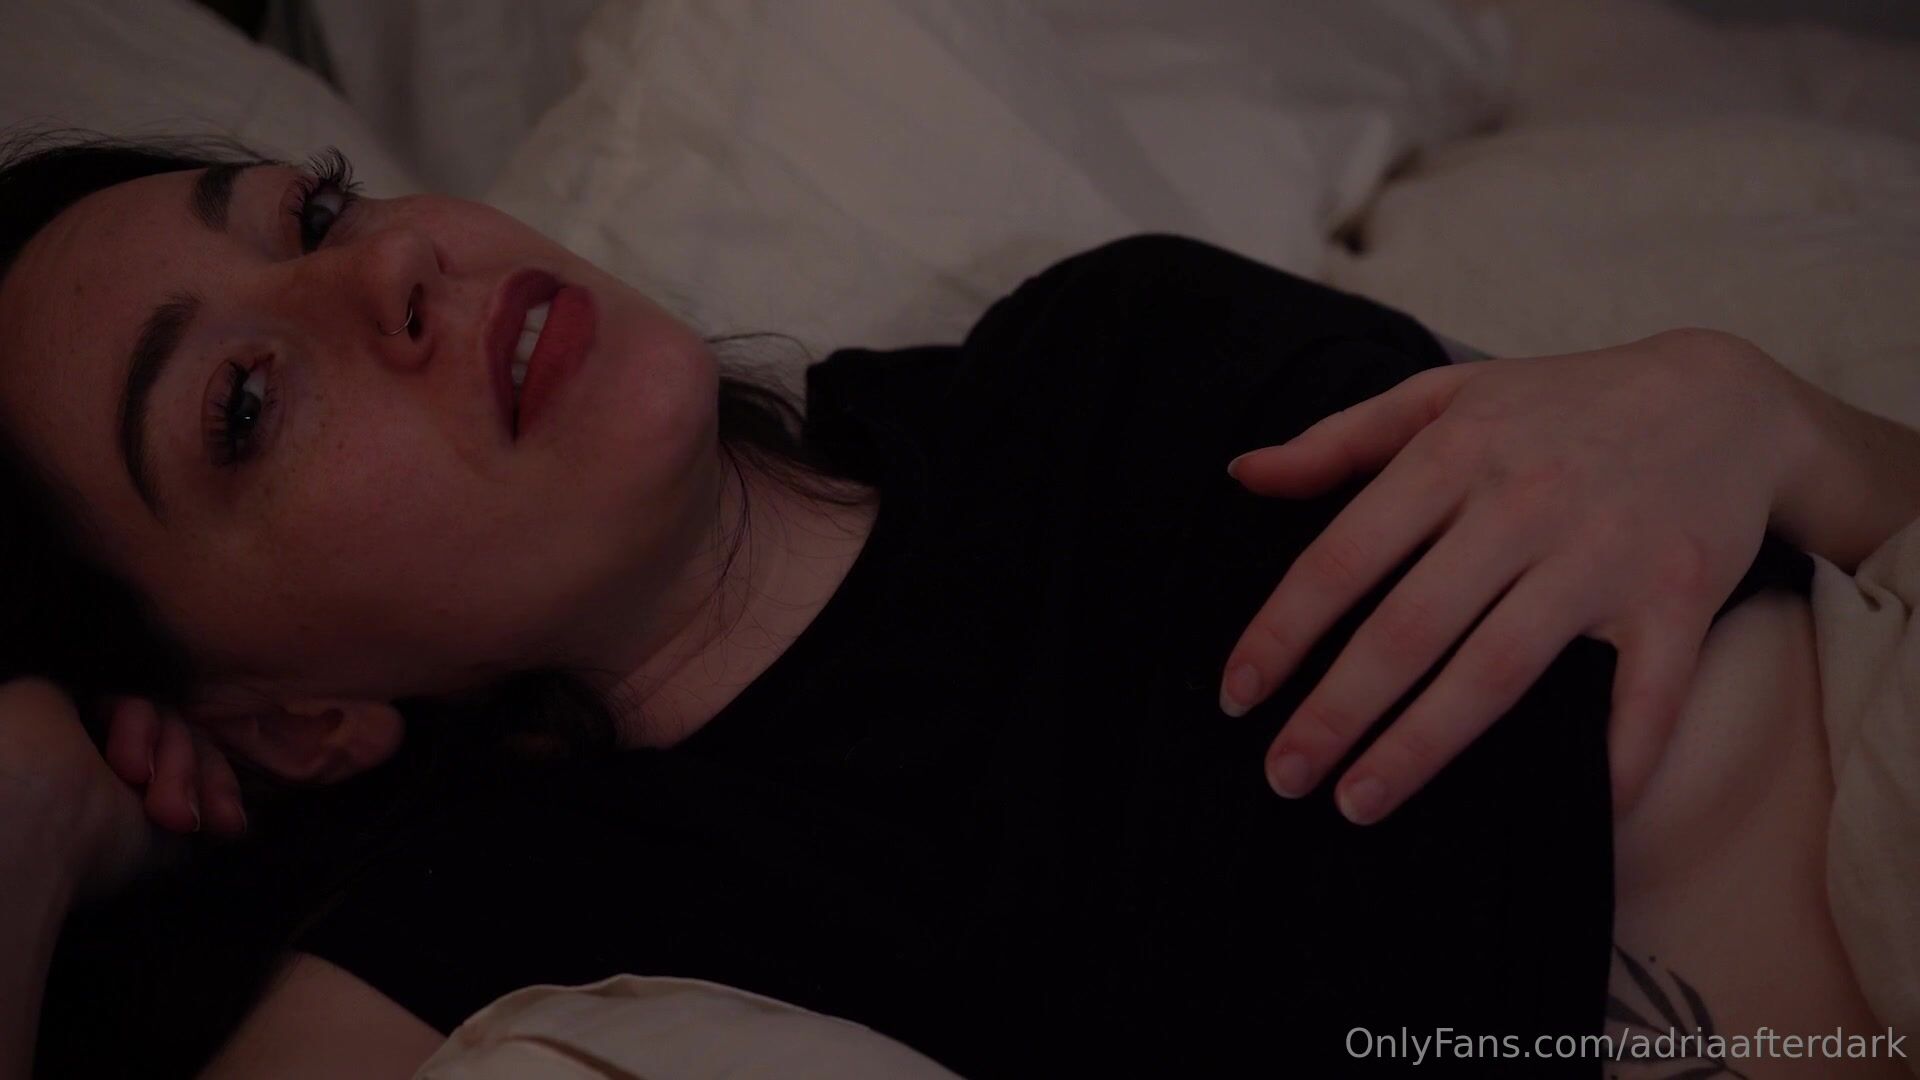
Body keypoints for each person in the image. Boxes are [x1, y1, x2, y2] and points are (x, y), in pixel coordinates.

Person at [0, 131, 1913, 1079]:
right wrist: (28, 826)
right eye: (240, 406)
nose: (390, 269)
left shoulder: (1119, 343)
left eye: (316, 212)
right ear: (289, 715)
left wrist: (1770, 421)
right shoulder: (509, 939)